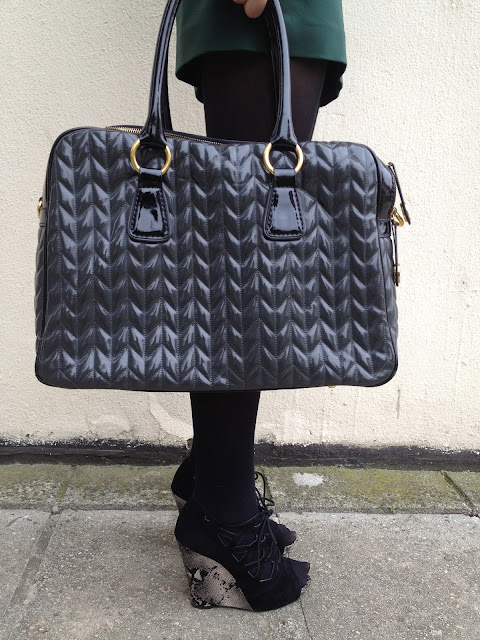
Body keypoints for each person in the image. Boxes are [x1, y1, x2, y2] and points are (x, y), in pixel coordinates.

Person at [169, 0, 347, 612]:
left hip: (301, 18)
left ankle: (213, 478)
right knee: (244, 273)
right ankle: (222, 510)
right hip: (256, 19)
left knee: (251, 266)